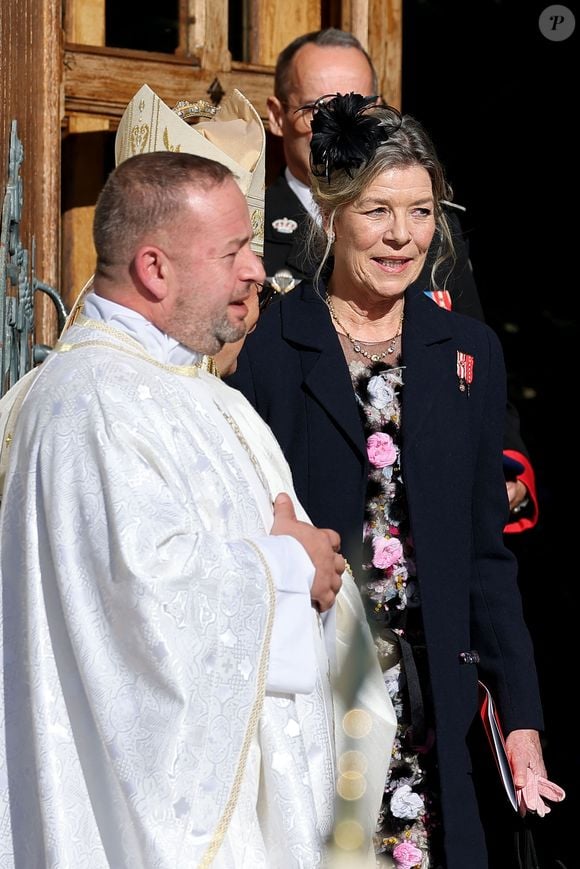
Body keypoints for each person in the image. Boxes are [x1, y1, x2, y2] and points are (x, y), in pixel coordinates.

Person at [0, 147, 397, 867]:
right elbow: (138, 604)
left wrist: (316, 567)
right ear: (156, 269)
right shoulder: (90, 400)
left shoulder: (202, 393)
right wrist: (288, 563)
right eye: (234, 250)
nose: (256, 269)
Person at [228, 93, 564, 868]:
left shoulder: (466, 350)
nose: (402, 236)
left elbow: (487, 556)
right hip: (318, 690)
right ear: (334, 213)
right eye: (378, 210)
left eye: (421, 211)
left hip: (437, 699)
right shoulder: (271, 349)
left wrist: (520, 720)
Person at [264, 27, 536, 530]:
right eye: (318, 111)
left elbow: (470, 359)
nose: (340, 128)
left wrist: (505, 471)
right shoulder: (251, 228)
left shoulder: (430, 227)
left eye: (360, 108)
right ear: (279, 118)